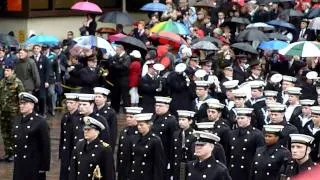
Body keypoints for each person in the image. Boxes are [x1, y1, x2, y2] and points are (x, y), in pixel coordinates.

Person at [12, 92, 50, 180]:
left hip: (33, 164)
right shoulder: (17, 119)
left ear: (32, 105)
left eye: (24, 103)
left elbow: (45, 146)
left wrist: (43, 167)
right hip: (19, 163)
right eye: (20, 103)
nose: (21, 106)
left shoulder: (40, 122)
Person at [227, 108, 265, 180]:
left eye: (242, 118)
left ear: (249, 119)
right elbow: (228, 153)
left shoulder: (257, 134)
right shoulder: (232, 133)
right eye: (238, 118)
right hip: (233, 170)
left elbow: (260, 155)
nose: (239, 120)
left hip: (248, 171)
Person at [127, 113, 166, 180]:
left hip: (147, 175)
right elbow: (130, 159)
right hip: (135, 174)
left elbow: (158, 163)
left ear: (149, 125)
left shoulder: (155, 140)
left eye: (141, 125)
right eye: (138, 125)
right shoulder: (134, 138)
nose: (139, 127)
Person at [0, 63, 25, 162]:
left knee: (13, 133)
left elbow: (22, 97)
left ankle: (15, 153)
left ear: (12, 71)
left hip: (14, 112)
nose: (5, 72)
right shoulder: (2, 82)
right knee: (5, 133)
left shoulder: (17, 82)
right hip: (3, 112)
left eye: (8, 70)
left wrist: (21, 111)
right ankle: (8, 152)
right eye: (5, 70)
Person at [151, 96, 178, 172]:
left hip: (164, 154)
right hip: (152, 153)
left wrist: (170, 160)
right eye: (156, 105)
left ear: (167, 107)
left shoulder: (171, 120)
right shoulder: (153, 118)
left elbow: (173, 141)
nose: (157, 108)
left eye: (160, 106)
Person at [59, 93, 81, 180]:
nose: (68, 104)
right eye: (67, 102)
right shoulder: (65, 116)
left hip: (75, 151)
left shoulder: (81, 117)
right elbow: (62, 137)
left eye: (71, 103)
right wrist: (61, 153)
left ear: (77, 103)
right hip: (66, 151)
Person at [117, 106, 143, 180]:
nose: (128, 119)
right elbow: (120, 152)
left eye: (131, 117)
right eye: (127, 116)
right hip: (123, 168)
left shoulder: (140, 133)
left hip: (135, 169)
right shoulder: (124, 131)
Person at [171, 110, 196, 180]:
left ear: (190, 121)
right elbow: (172, 153)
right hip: (177, 167)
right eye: (179, 120)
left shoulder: (194, 135)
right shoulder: (176, 134)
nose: (180, 122)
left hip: (188, 167)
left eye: (183, 120)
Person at [109, 44, 131, 112]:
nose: (116, 51)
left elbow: (124, 67)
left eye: (117, 50)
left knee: (125, 95)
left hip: (124, 78)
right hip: (116, 78)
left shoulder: (127, 57)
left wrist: (115, 64)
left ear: (121, 50)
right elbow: (110, 63)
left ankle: (127, 110)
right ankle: (115, 109)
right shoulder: (116, 56)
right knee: (115, 94)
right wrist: (115, 64)